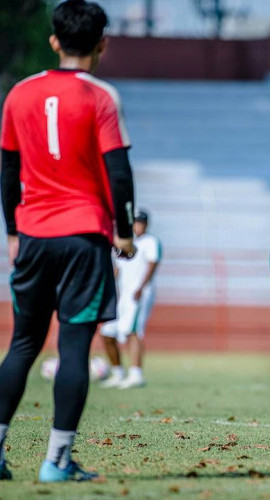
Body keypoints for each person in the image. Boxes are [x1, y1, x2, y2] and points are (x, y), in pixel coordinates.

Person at [0, 0, 135, 482]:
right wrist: (124, 230)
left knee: (23, 344)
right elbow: (118, 171)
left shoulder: (19, 93)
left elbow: (8, 169)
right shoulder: (101, 96)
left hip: (33, 234)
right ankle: (56, 462)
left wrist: (13, 231)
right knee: (74, 348)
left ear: (54, 40)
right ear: (102, 43)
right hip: (83, 236)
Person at [100, 209, 161, 389]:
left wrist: (141, 287)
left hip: (139, 292)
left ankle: (136, 373)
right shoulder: (124, 242)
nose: (138, 225)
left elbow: (152, 265)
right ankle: (117, 372)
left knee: (134, 331)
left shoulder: (151, 242)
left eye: (141, 222)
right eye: (136, 222)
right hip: (122, 294)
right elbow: (118, 268)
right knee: (107, 332)